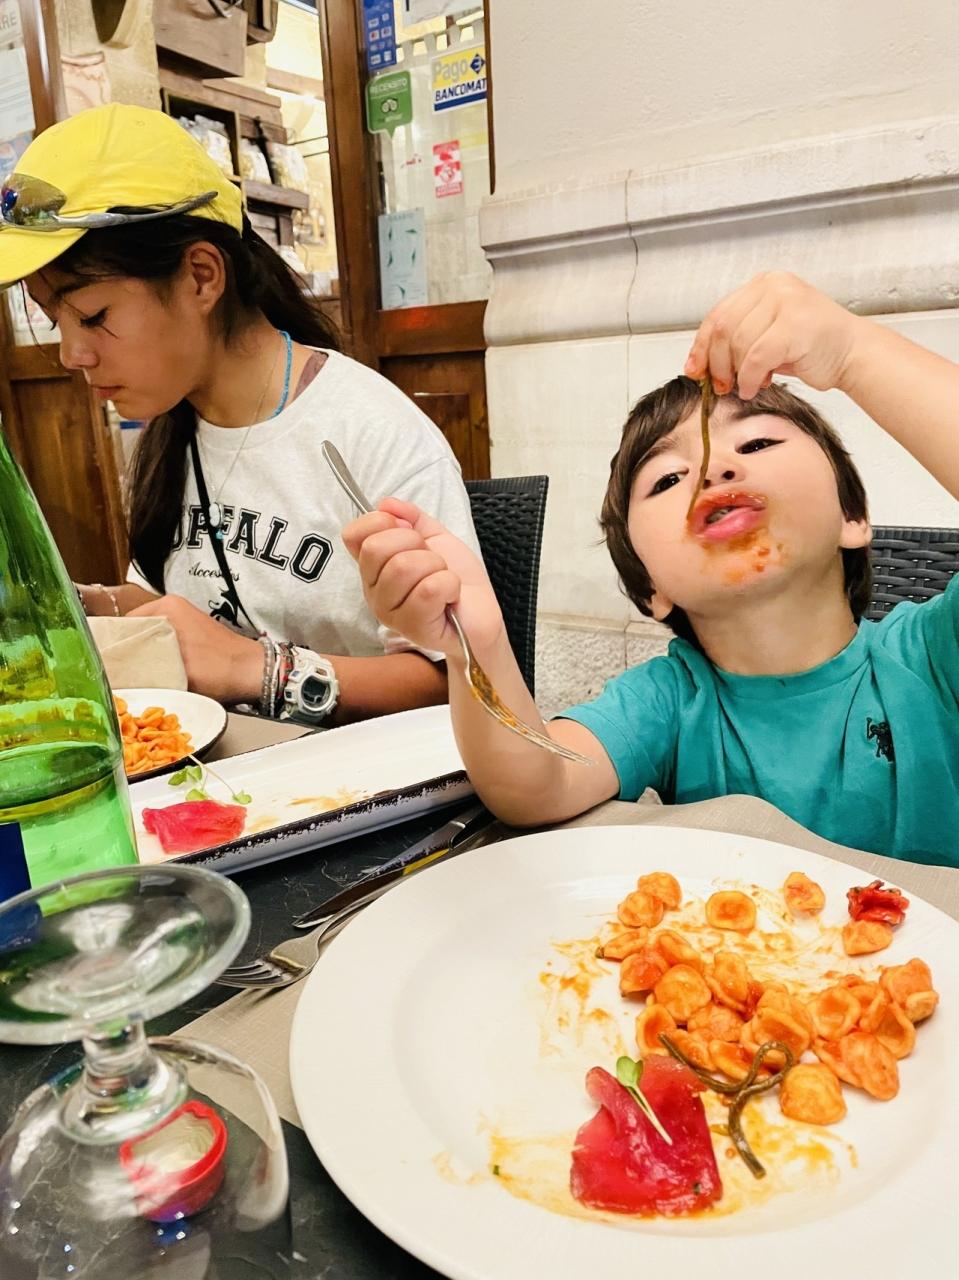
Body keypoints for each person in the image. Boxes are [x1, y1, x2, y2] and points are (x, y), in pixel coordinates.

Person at [343, 272, 959, 865]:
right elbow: (535, 787)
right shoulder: (669, 701)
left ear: (852, 516)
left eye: (757, 443)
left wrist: (851, 351)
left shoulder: (934, 655)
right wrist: (476, 646)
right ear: (650, 586)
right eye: (667, 479)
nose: (714, 469)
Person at [0, 104, 479, 725]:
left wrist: (256, 668)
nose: (72, 354)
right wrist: (96, 606)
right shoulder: (174, 428)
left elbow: (458, 681)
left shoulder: (369, 433)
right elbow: (174, 609)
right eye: (53, 321)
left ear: (202, 276)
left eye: (93, 316)